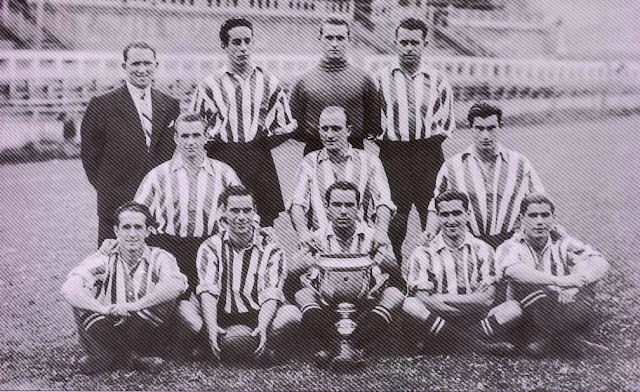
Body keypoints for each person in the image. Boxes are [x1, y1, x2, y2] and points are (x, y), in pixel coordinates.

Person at [189, 17, 296, 228]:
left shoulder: (268, 82)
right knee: (221, 219)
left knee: (263, 222)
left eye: (248, 41)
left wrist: (260, 145)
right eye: (236, 43)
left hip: (258, 157)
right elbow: (194, 126)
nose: (243, 48)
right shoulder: (210, 85)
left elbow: (286, 125)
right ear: (224, 46)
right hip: (222, 156)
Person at [61, 202, 188, 374]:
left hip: (142, 330)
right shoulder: (104, 258)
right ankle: (133, 360)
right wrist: (103, 309)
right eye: (126, 227)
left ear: (148, 231)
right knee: (81, 300)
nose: (132, 234)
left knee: (166, 296)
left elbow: (176, 284)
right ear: (116, 231)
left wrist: (135, 306)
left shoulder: (161, 257)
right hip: (107, 327)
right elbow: (70, 287)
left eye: (138, 227)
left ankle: (108, 359)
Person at [291, 181, 404, 369]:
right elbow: (290, 282)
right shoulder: (315, 239)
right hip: (327, 307)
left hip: (365, 306)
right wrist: (298, 267)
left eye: (349, 205)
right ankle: (342, 346)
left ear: (358, 208)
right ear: (327, 208)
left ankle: (345, 347)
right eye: (337, 205)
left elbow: (399, 280)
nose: (343, 211)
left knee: (394, 295)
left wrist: (387, 261)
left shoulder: (373, 237)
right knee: (302, 294)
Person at [183, 186, 301, 364]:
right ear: (224, 213)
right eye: (235, 211)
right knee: (183, 307)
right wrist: (211, 325)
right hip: (221, 313)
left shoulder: (273, 249)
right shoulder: (210, 246)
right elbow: (207, 291)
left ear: (255, 213)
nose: (241, 217)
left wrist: (262, 325)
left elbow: (271, 295)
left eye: (247, 211)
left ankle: (257, 341)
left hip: (257, 313)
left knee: (291, 314)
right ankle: (213, 340)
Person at [372, 18, 456, 265]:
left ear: (424, 44)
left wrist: (421, 147)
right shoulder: (380, 80)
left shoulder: (438, 80)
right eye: (404, 42)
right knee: (394, 215)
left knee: (432, 211)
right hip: (393, 154)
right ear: (395, 43)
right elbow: (374, 122)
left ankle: (437, 269)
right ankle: (393, 271)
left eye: (414, 43)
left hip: (428, 153)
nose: (409, 47)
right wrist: (392, 145)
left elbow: (446, 122)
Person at [81, 41, 180, 247]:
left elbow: (173, 153)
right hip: (117, 203)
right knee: (115, 264)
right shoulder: (102, 104)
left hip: (159, 204)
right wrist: (109, 188)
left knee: (156, 264)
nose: (142, 69)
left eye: (147, 63)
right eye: (135, 64)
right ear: (125, 67)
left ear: (156, 66)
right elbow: (90, 156)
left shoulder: (170, 104)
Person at [134, 113, 242, 296]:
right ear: (176, 138)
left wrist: (261, 230)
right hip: (170, 249)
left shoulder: (225, 174)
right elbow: (136, 214)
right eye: (184, 136)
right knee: (180, 312)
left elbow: (245, 211)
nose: (190, 142)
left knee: (213, 306)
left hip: (212, 249)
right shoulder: (158, 176)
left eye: (196, 135)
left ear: (206, 136)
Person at [403, 190, 522, 355]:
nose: (451, 220)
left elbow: (487, 299)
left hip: (474, 317)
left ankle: (446, 341)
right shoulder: (423, 252)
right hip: (440, 316)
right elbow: (422, 299)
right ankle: (477, 346)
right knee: (410, 304)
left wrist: (441, 298)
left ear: (468, 214)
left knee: (513, 308)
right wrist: (469, 301)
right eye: (445, 215)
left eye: (457, 213)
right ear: (437, 217)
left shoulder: (483, 249)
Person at [496, 193, 610, 357]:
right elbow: (513, 270)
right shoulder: (511, 245)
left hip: (560, 305)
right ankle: (567, 342)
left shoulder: (562, 242)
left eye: (545, 215)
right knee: (530, 286)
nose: (540, 221)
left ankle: (550, 341)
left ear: (553, 218)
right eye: (533, 216)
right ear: (522, 219)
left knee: (586, 283)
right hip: (526, 315)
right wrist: (560, 282)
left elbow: (600, 261)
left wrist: (578, 283)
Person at [423, 102, 545, 250]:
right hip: (469, 247)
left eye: (491, 128)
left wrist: (555, 230)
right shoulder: (452, 167)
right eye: (479, 129)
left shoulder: (519, 163)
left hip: (511, 244)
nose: (485, 135)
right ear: (470, 127)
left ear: (500, 125)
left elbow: (540, 201)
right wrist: (430, 232)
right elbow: (436, 206)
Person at [288, 106, 395, 259]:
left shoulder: (369, 160)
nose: (329, 135)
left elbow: (383, 201)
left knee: (391, 272)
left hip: (362, 245)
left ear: (348, 130)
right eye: (324, 129)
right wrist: (303, 233)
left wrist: (381, 232)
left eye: (336, 129)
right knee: (296, 273)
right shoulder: (309, 162)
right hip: (321, 245)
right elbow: (297, 203)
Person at [290, 17, 380, 155]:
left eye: (340, 38)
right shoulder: (302, 80)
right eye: (329, 38)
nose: (334, 44)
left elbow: (373, 123)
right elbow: (294, 126)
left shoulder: (364, 79)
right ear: (320, 38)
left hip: (354, 151)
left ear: (349, 39)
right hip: (315, 151)